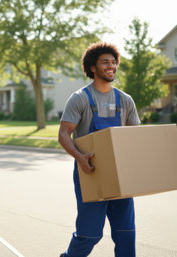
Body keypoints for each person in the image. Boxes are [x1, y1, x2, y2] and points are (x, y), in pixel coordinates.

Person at [58, 42, 140, 257]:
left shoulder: (126, 100)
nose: (111, 66)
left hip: (121, 176)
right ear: (93, 67)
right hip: (90, 172)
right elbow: (64, 134)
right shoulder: (80, 98)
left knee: (126, 233)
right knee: (90, 234)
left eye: (114, 62)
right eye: (105, 62)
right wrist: (79, 157)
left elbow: (137, 138)